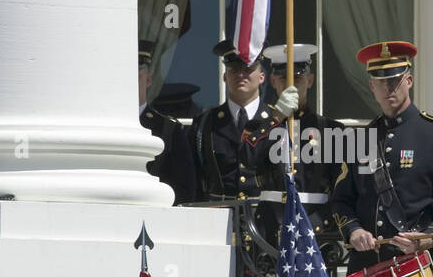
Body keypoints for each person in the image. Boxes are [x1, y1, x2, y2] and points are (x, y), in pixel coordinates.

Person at [329, 40, 433, 272]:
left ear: (408, 81)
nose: (388, 88)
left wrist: (431, 236)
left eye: (394, 81)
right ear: (372, 86)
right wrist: (354, 230)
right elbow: (341, 200)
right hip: (367, 265)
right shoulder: (358, 139)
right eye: (381, 82)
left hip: (416, 266)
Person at [256, 44, 343, 246]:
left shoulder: (331, 130)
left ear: (310, 80)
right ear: (272, 82)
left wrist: (316, 223)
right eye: (283, 78)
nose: (290, 85)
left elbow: (342, 189)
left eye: (297, 78)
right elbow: (248, 158)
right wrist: (276, 117)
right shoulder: (259, 128)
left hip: (317, 232)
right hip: (270, 230)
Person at [190, 40, 294, 201]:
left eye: (248, 69)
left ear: (261, 77)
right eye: (234, 69)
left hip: (265, 217)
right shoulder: (205, 124)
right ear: (225, 76)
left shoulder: (279, 119)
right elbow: (194, 177)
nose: (240, 75)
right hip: (217, 215)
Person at [137, 41, 197, 205]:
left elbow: (185, 190)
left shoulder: (169, 130)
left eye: (136, 76)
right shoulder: (108, 125)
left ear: (148, 80)